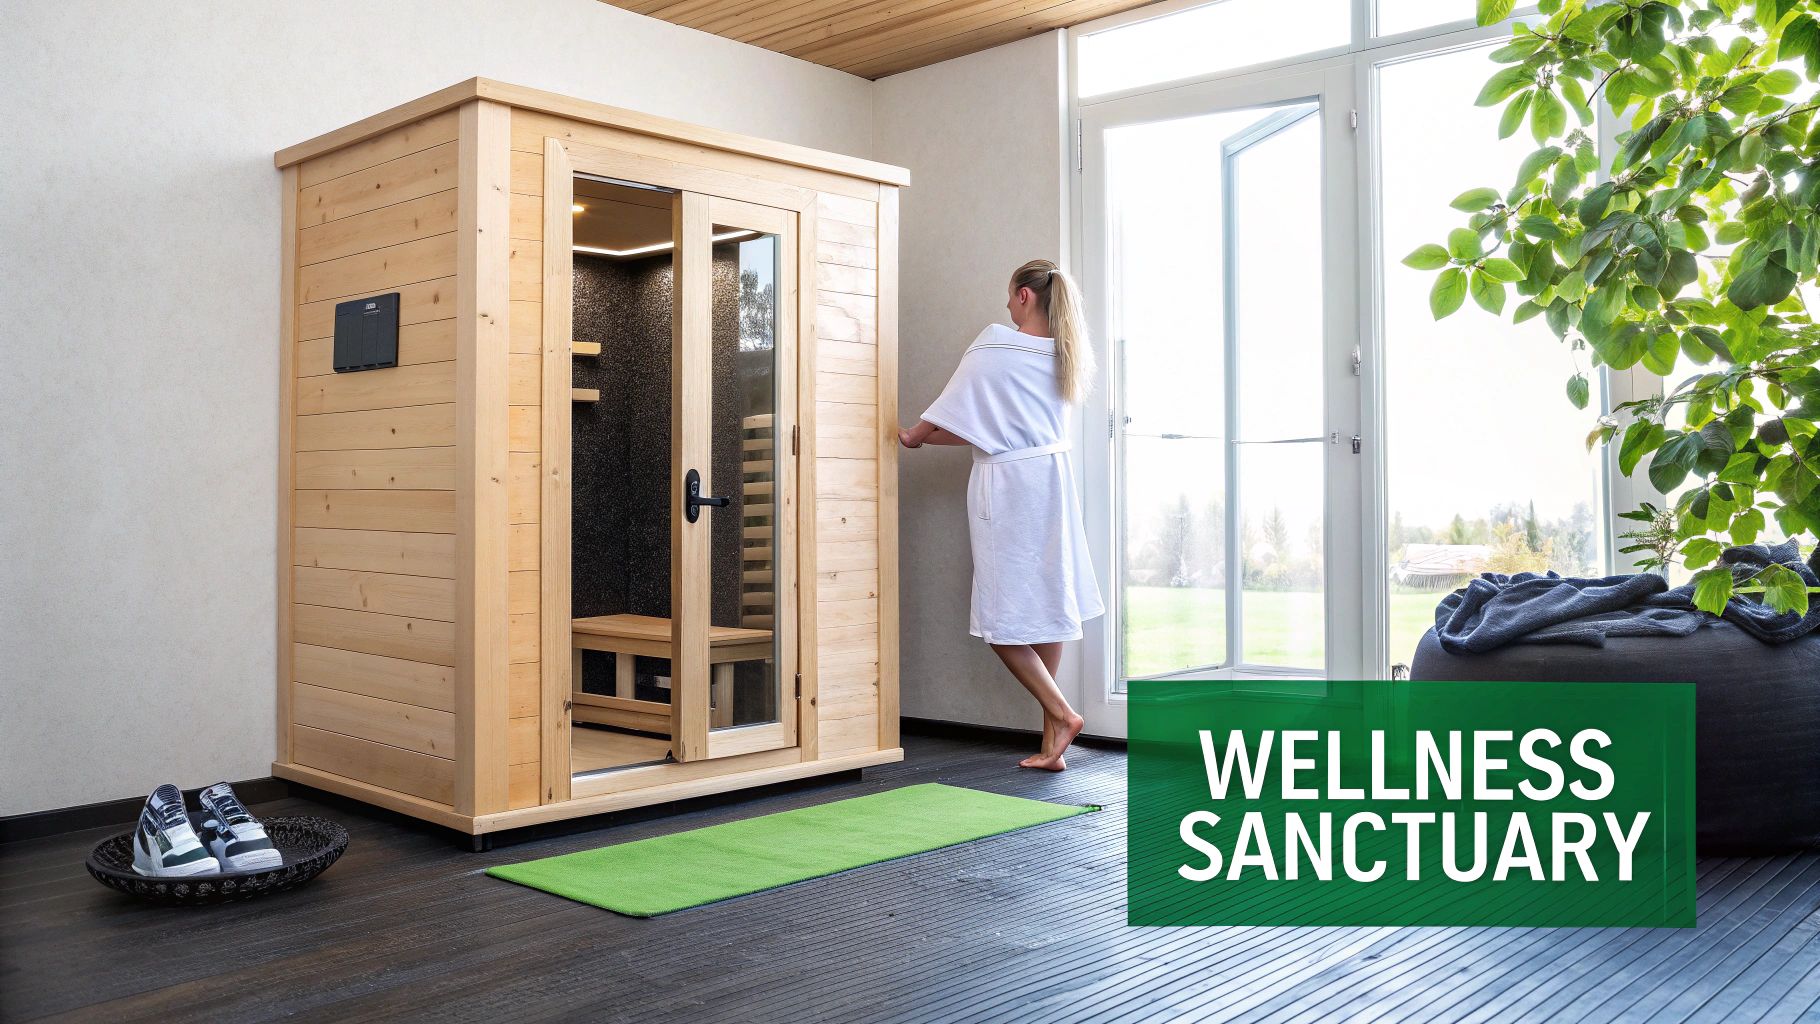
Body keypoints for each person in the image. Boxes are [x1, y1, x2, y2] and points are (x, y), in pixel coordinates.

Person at [898, 259, 1106, 771]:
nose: (1007, 309)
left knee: (999, 617)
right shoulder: (1064, 354)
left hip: (1009, 487)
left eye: (1010, 298)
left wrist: (914, 437)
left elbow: (949, 407)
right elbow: (983, 426)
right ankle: (1051, 741)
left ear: (1024, 295)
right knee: (1048, 605)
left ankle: (1062, 713)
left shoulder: (996, 343)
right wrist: (933, 439)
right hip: (1052, 481)